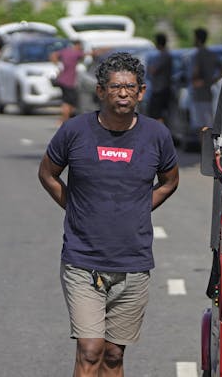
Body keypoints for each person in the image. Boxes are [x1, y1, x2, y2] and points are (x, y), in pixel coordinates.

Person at [38, 52, 179, 377]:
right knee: (90, 351)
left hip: (133, 263)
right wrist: (75, 207)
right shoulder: (75, 131)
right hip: (82, 260)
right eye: (115, 87)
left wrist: (139, 209)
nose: (123, 93)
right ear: (101, 91)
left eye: (130, 87)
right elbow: (47, 173)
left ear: (141, 92)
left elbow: (169, 181)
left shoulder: (156, 136)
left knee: (114, 355)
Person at [189, 27, 222, 129]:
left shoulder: (197, 54)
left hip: (199, 93)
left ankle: (204, 145)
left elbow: (196, 71)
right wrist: (213, 80)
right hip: (209, 92)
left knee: (201, 125)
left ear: (198, 39)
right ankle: (209, 144)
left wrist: (195, 80)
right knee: (209, 122)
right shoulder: (212, 54)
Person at [50, 38, 85, 125]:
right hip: (69, 82)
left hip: (62, 80)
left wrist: (58, 65)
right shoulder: (76, 53)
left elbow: (53, 55)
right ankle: (64, 120)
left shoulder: (65, 51)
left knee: (66, 101)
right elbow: (86, 55)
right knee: (69, 102)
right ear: (78, 45)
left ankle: (64, 119)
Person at [146, 32, 173, 123]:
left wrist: (149, 67)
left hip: (160, 89)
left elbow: (153, 70)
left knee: (157, 113)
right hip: (162, 87)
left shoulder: (163, 55)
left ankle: (158, 131)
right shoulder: (165, 55)